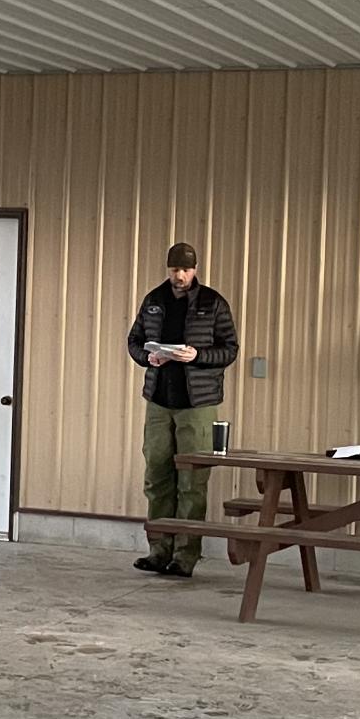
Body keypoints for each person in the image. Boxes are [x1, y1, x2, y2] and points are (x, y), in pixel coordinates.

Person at [126, 241, 238, 579]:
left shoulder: (213, 303)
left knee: (192, 479)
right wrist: (149, 357)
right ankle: (158, 550)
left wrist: (198, 357)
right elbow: (133, 341)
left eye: (186, 270)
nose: (180, 276)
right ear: (168, 269)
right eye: (175, 269)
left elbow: (229, 349)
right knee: (157, 475)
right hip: (159, 400)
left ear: (195, 269)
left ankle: (185, 555)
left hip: (198, 404)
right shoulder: (153, 301)